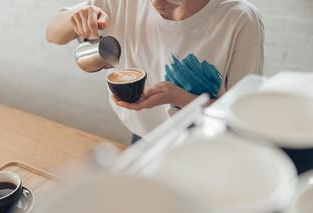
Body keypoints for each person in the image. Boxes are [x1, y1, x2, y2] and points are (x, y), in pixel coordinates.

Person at [46, 0, 264, 143]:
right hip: (144, 136)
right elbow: (52, 33)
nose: (156, 3)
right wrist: (76, 18)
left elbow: (243, 115)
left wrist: (180, 98)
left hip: (204, 144)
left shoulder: (239, 18)